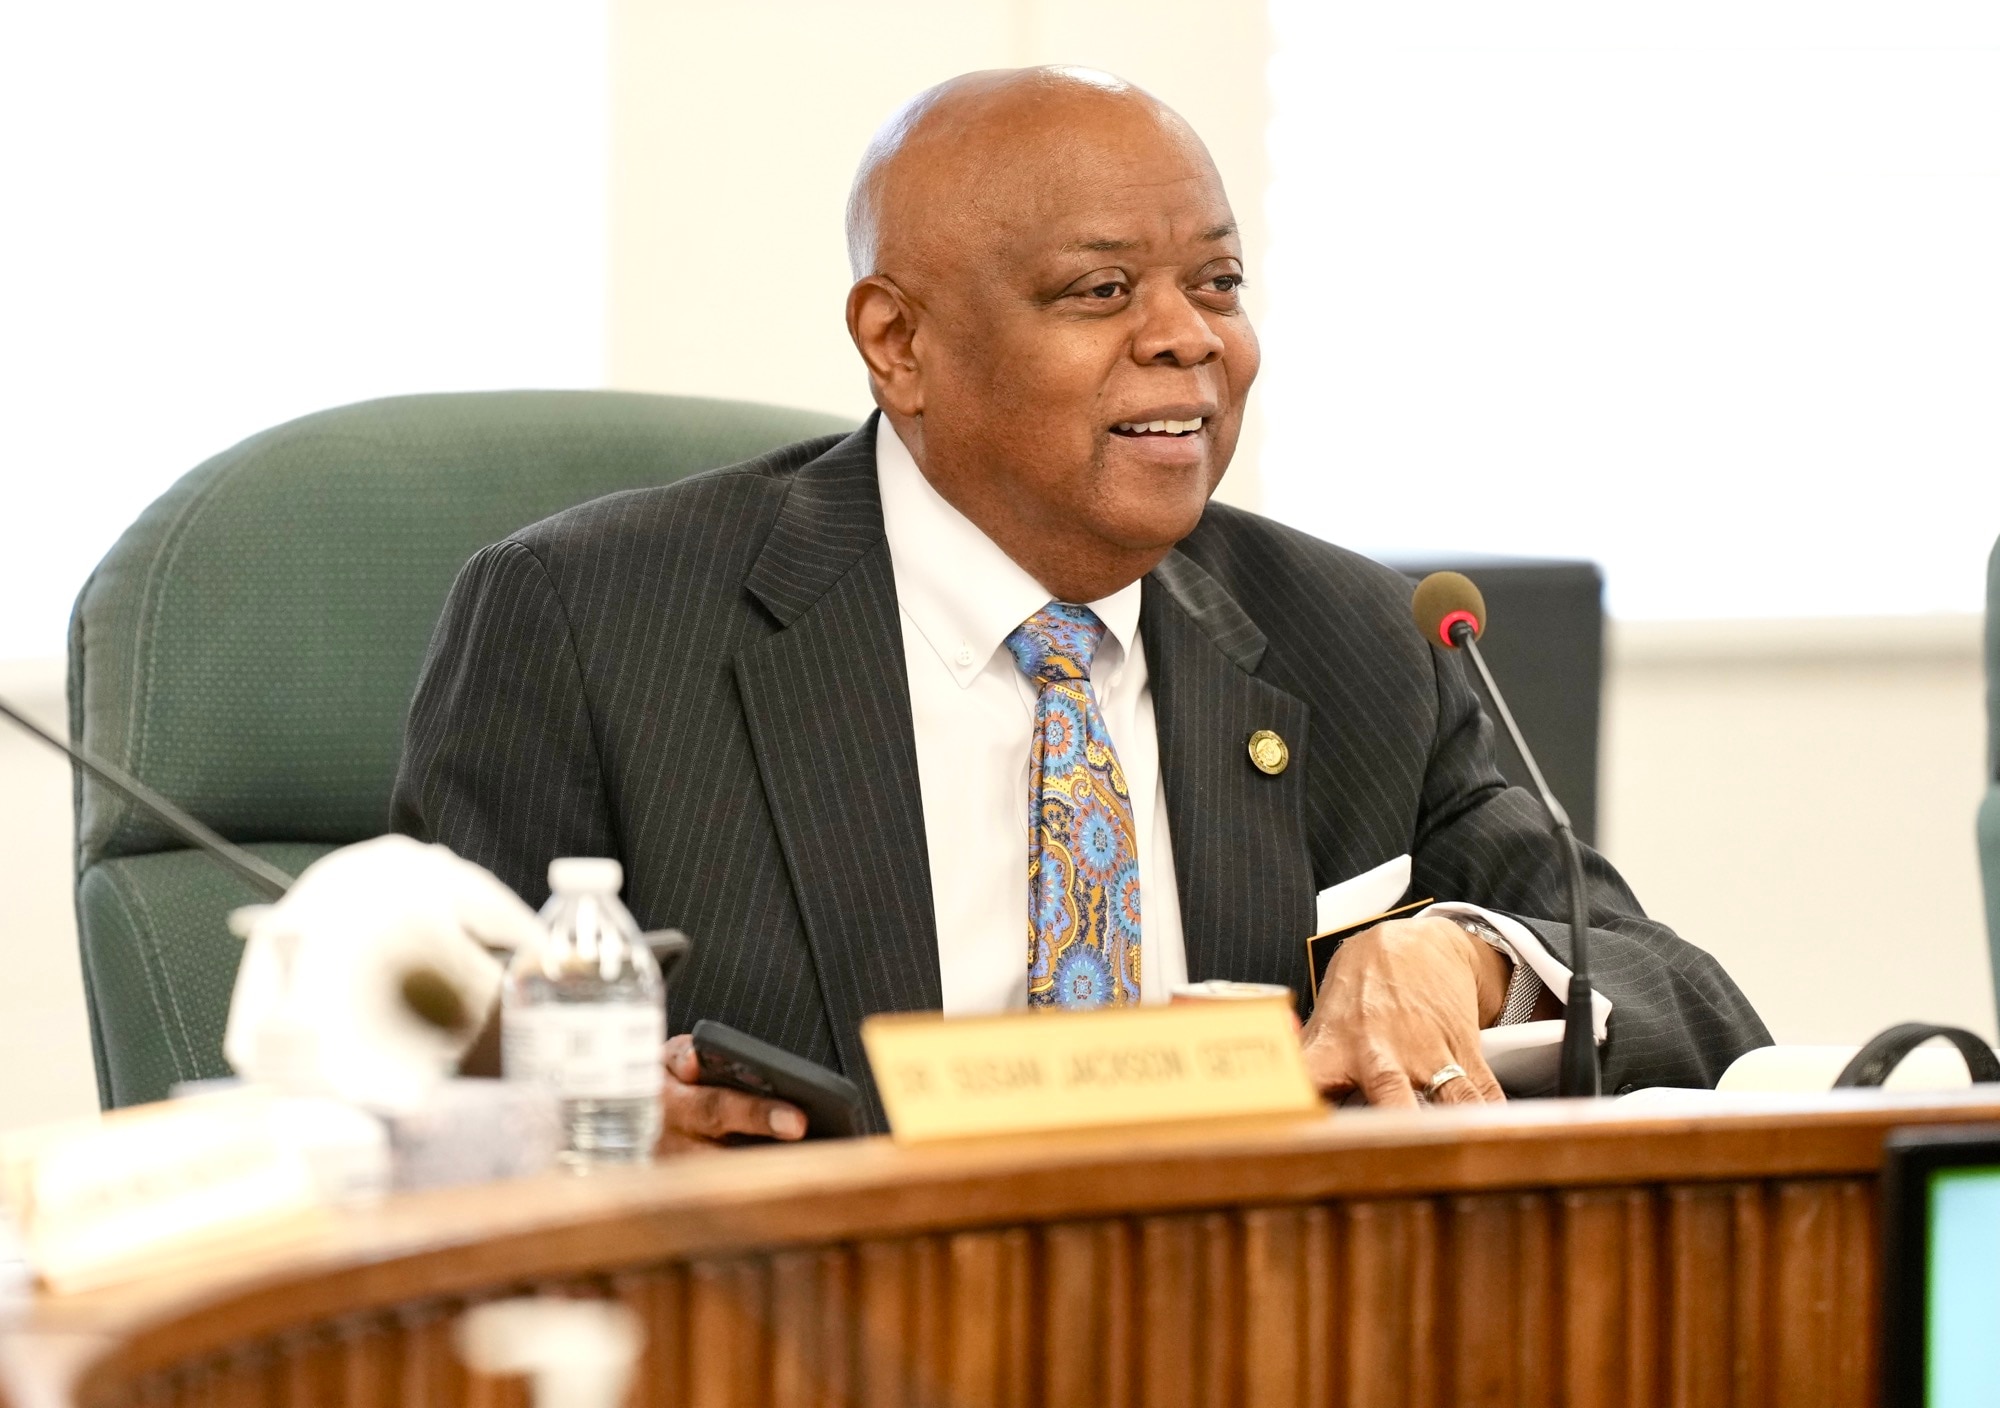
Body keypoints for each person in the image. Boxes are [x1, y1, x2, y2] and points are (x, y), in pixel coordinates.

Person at [392, 67, 1769, 1148]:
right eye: (1101, 290)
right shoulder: (591, 622)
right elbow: (404, 1063)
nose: (1188, 337)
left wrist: (1464, 957)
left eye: (1217, 283)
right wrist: (593, 1127)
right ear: (898, 342)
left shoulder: (1354, 639)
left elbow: (1690, 1007)